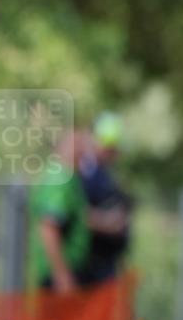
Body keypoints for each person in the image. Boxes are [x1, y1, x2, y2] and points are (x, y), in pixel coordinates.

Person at [30, 130, 91, 293]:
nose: (84, 151)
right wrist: (62, 275)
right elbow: (49, 227)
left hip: (67, 270)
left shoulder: (69, 178)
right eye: (79, 145)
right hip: (59, 275)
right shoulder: (59, 179)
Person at [78, 112, 133, 284]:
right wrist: (107, 222)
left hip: (106, 265)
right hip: (90, 265)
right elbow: (78, 213)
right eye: (111, 148)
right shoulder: (87, 173)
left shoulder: (104, 173)